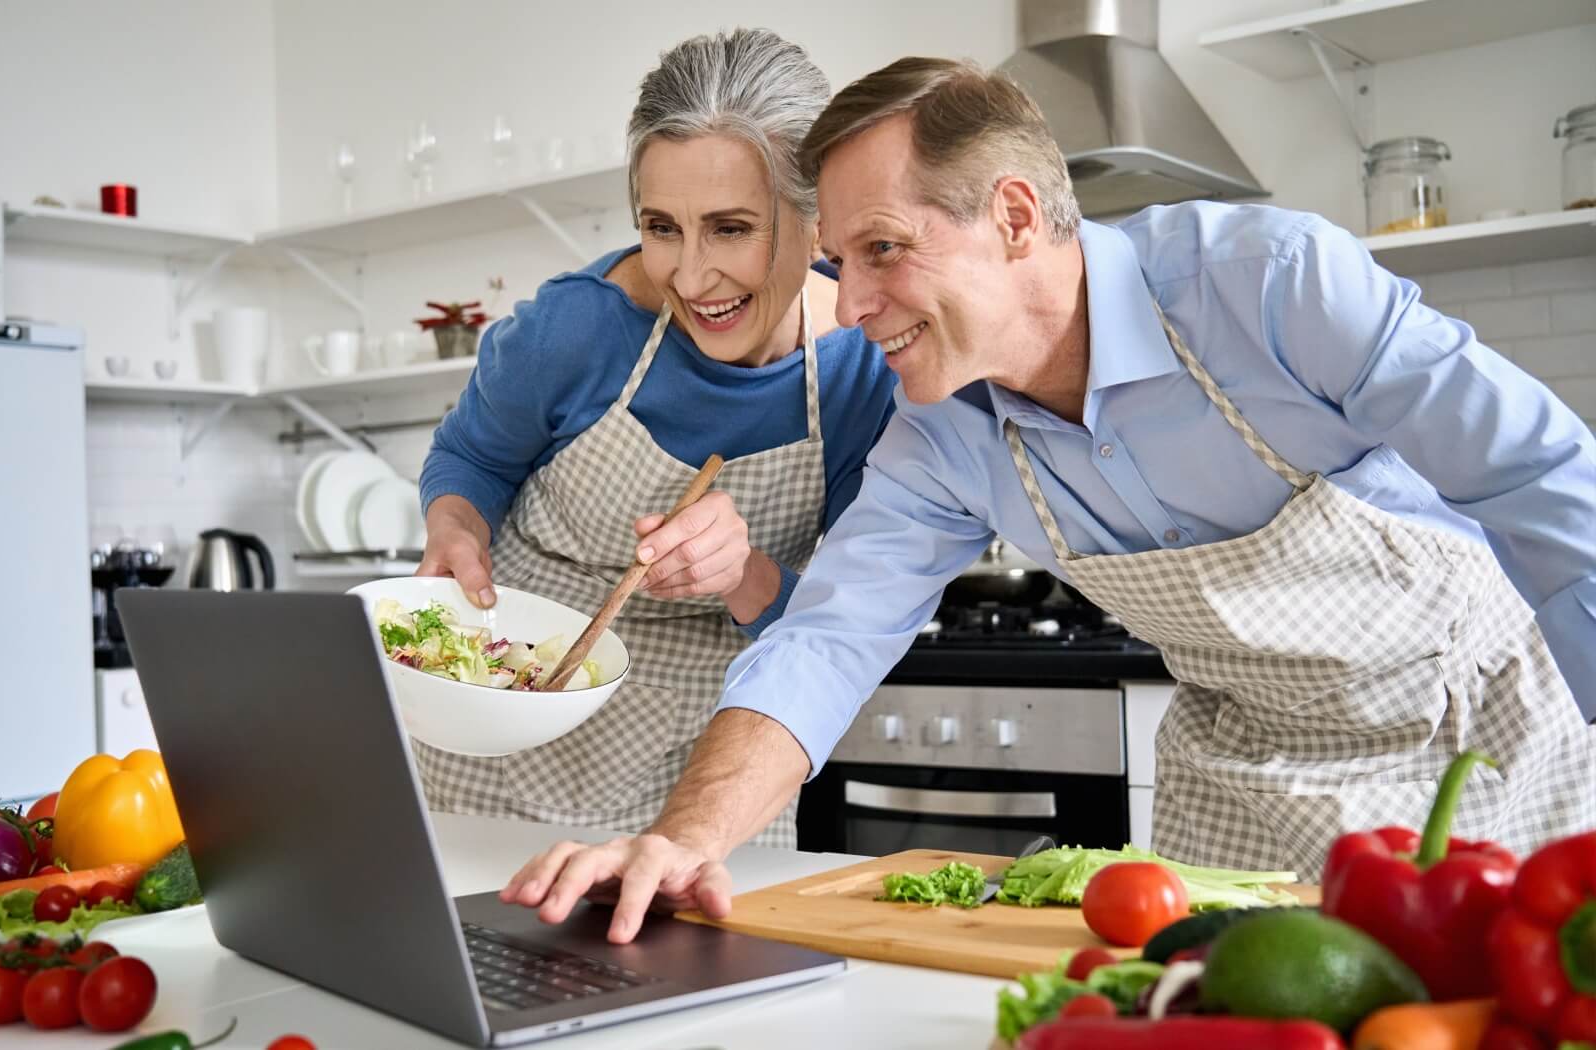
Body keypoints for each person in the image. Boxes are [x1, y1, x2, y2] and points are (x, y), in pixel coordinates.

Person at [503, 56, 1596, 944]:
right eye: (840, 260)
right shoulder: (937, 433)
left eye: (882, 250)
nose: (853, 301)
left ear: (1016, 216)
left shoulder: (1269, 285)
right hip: (1247, 772)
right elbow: (826, 639)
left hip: (1477, 740)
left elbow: (1539, 478)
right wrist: (684, 838)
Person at [415, 29, 895, 850]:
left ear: (820, 221)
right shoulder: (575, 327)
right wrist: (455, 528)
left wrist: (741, 575)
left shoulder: (862, 374)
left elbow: (839, 627)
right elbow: (471, 458)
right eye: (661, 226)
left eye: (732, 228)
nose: (690, 274)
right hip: (502, 746)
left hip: (709, 773)